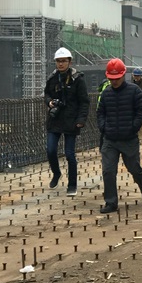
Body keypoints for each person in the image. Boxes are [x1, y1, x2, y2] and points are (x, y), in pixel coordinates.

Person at [97, 58, 142, 213]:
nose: (114, 81)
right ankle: (111, 202)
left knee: (134, 167)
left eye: (117, 78)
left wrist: (133, 127)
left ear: (123, 75)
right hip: (110, 139)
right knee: (108, 171)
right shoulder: (106, 93)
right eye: (111, 78)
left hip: (129, 139)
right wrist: (104, 127)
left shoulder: (134, 91)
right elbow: (100, 112)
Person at [45, 46, 90, 196]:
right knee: (50, 149)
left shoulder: (78, 80)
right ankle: (56, 173)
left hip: (71, 121)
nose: (61, 64)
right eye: (58, 61)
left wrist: (81, 119)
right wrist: (50, 102)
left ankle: (72, 185)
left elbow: (84, 102)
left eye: (63, 61)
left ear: (69, 62)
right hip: (55, 119)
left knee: (69, 154)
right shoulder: (52, 78)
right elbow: (46, 94)